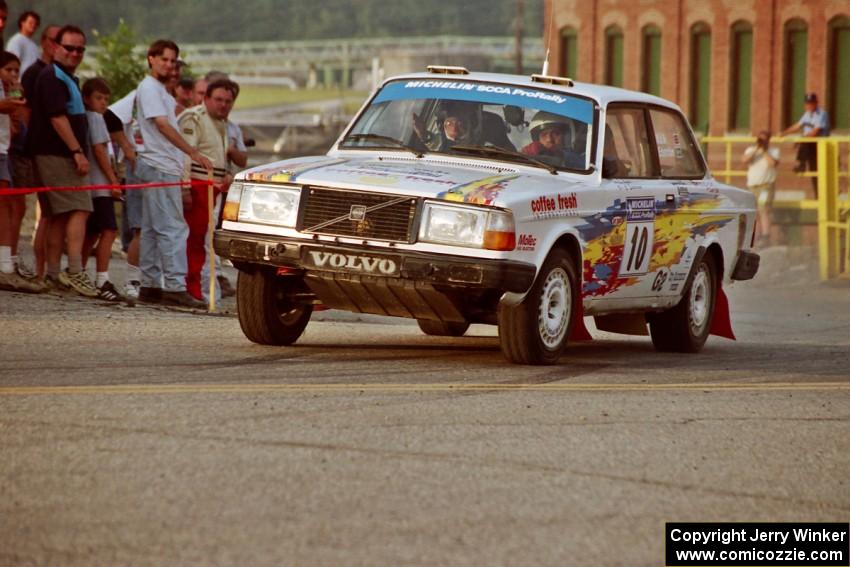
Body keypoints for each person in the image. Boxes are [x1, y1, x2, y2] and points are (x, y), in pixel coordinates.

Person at [132, 39, 211, 308]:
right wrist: (192, 152)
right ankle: (176, 286)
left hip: (159, 165)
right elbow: (163, 125)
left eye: (172, 61)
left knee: (154, 229)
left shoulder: (160, 92)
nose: (169, 65)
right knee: (173, 227)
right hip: (159, 165)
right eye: (164, 59)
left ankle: (150, 285)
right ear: (151, 59)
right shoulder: (150, 88)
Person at [30, 25, 97, 297]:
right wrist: (77, 152)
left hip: (59, 154)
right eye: (69, 47)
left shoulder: (68, 77)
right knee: (80, 208)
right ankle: (75, 270)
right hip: (57, 155)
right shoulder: (51, 76)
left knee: (59, 216)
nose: (75, 53)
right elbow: (57, 117)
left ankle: (54, 274)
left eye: (80, 49)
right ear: (55, 46)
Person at [178, 78, 236, 304]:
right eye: (219, 100)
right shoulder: (194, 118)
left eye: (228, 101)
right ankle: (190, 287)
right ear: (206, 98)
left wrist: (227, 173)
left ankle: (200, 288)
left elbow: (220, 155)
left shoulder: (222, 123)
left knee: (204, 238)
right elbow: (185, 153)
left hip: (215, 186)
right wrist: (185, 188)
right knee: (193, 237)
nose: (223, 105)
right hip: (197, 184)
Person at [19, 24, 60, 281]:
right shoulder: (34, 73)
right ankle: (39, 270)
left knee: (51, 213)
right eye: (55, 41)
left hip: (55, 150)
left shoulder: (57, 73)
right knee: (42, 212)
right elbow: (25, 111)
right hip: (38, 148)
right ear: (44, 42)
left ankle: (47, 271)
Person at [0, 50, 40, 292]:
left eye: (17, 70)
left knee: (8, 204)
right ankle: (5, 265)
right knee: (6, 204)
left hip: (4, 149)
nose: (14, 75)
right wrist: (16, 94)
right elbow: (9, 106)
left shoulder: (8, 90)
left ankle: (6, 263)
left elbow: (14, 119)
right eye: (8, 70)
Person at [80, 77, 123, 301]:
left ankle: (79, 272)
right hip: (100, 185)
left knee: (93, 231)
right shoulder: (96, 118)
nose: (103, 103)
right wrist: (113, 180)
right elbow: (99, 150)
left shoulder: (87, 118)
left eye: (106, 99)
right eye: (98, 98)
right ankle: (101, 279)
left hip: (91, 185)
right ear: (87, 98)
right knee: (109, 231)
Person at [781, 92, 829, 197]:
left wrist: (800, 140)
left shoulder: (821, 114)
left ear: (816, 103)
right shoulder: (807, 114)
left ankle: (801, 164)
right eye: (807, 103)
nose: (809, 106)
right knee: (814, 171)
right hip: (810, 146)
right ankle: (818, 196)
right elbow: (797, 126)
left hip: (820, 146)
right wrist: (783, 133)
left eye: (811, 103)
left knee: (820, 171)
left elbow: (816, 131)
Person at [742, 131, 779, 246]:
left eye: (764, 140)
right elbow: (744, 160)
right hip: (752, 186)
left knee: (764, 209)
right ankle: (756, 235)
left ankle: (766, 235)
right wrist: (756, 149)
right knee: (754, 212)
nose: (762, 142)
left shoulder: (773, 151)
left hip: (766, 185)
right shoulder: (751, 150)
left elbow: (773, 163)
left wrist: (764, 151)